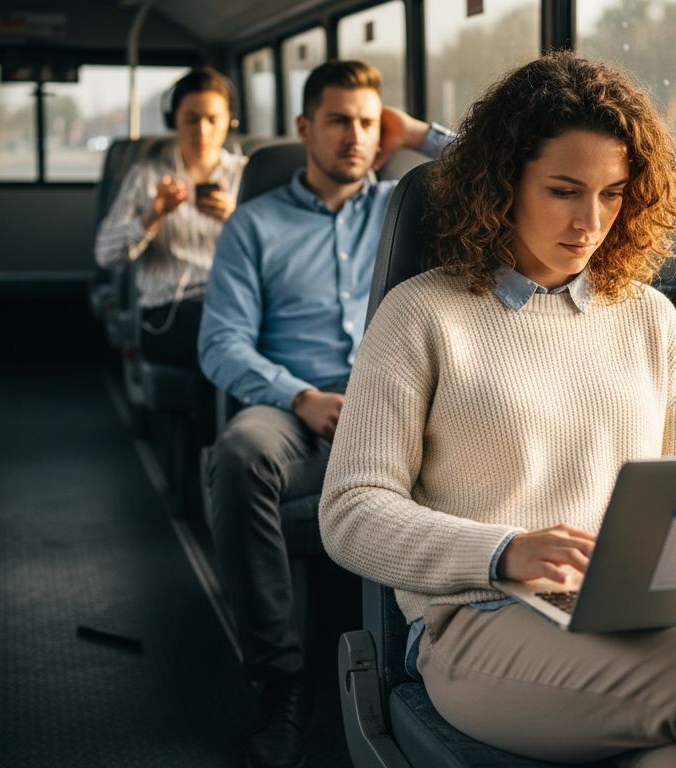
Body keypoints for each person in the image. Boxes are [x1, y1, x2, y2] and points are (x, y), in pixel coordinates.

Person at [319, 51, 676, 768]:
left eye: (614, 194)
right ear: (502, 186)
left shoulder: (651, 318)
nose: (590, 222)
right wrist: (504, 552)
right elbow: (350, 511)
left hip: (634, 618)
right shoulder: (421, 315)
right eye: (564, 190)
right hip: (480, 623)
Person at [197, 60, 453, 768]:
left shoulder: (414, 209)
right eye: (338, 120)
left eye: (368, 123)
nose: (355, 137)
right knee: (241, 452)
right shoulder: (254, 225)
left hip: (398, 400)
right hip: (296, 403)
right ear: (305, 128)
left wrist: (419, 136)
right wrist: (297, 397)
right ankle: (280, 679)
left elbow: (516, 173)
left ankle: (436, 664)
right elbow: (219, 343)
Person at [93, 66, 246, 368]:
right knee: (220, 340)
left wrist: (236, 220)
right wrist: (152, 216)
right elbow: (105, 255)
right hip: (171, 309)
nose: (202, 130)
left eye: (213, 119)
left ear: (230, 121)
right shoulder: (145, 176)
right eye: (191, 119)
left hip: (238, 304)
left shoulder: (247, 174)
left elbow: (278, 255)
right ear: (173, 120)